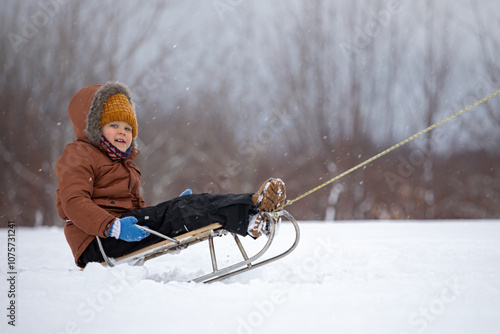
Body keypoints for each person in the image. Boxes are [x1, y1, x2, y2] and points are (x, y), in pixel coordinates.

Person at [55, 82, 286, 268]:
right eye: (113, 125)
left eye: (128, 128)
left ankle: (253, 213)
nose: (123, 133)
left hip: (118, 234)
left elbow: (139, 212)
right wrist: (113, 226)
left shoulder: (126, 165)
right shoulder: (79, 153)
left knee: (186, 205)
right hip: (97, 242)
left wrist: (175, 205)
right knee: (181, 210)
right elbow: (73, 202)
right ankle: (250, 212)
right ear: (94, 128)